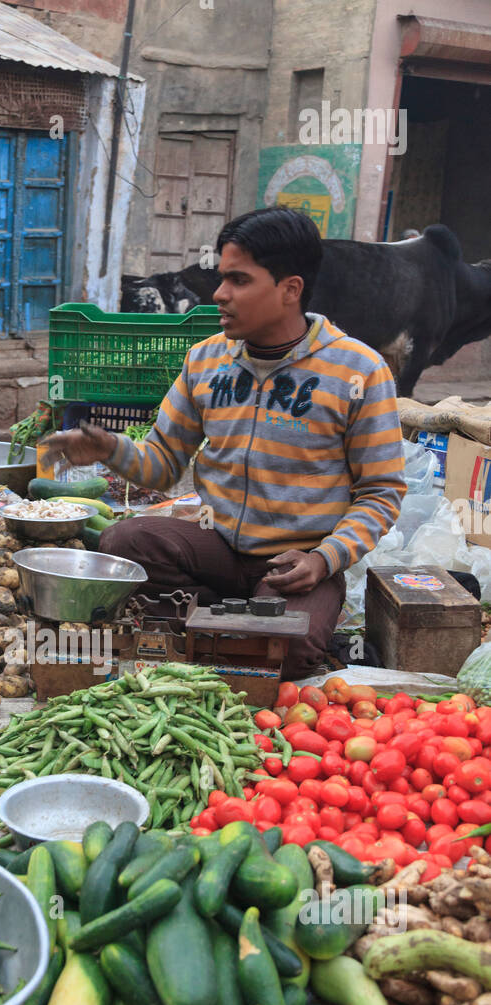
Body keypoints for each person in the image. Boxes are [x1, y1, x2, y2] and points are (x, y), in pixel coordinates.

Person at [44, 207, 406, 678]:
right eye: (221, 278)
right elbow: (162, 463)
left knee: (285, 653)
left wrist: (324, 558)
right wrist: (109, 448)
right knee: (122, 542)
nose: (219, 294)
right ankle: (225, 620)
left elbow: (381, 492)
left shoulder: (359, 370)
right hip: (217, 546)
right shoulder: (205, 360)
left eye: (238, 280)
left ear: (290, 289)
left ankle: (241, 623)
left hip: (294, 565)